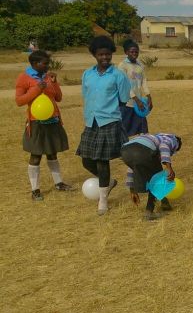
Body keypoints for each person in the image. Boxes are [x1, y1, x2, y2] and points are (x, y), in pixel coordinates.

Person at [76, 36, 131, 216]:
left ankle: (103, 200)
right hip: (91, 122)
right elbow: (86, 95)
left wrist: (109, 111)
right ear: (94, 55)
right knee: (86, 159)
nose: (105, 58)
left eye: (108, 54)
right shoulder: (87, 74)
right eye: (101, 54)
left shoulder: (118, 76)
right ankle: (108, 182)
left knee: (102, 161)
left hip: (109, 121)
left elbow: (123, 100)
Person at [15, 50, 72, 201]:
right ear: (34, 64)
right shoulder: (24, 78)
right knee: (36, 155)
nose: (48, 66)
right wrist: (36, 89)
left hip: (53, 121)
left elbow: (58, 98)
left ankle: (58, 183)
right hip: (36, 123)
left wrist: (54, 82)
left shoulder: (47, 77)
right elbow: (19, 101)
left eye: (48, 63)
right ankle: (35, 190)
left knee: (52, 153)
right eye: (44, 63)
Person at [120, 133, 182, 220]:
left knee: (155, 173)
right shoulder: (172, 139)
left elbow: (132, 168)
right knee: (157, 179)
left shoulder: (152, 138)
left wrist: (132, 190)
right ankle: (149, 212)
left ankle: (165, 203)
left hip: (125, 151)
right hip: (143, 150)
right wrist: (169, 167)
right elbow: (164, 146)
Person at [118, 39, 152, 137]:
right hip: (127, 103)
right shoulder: (122, 66)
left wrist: (149, 96)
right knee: (124, 130)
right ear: (126, 52)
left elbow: (143, 81)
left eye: (136, 51)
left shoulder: (140, 65)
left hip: (139, 104)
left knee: (143, 129)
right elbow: (124, 85)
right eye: (131, 51)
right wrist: (136, 99)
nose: (134, 53)